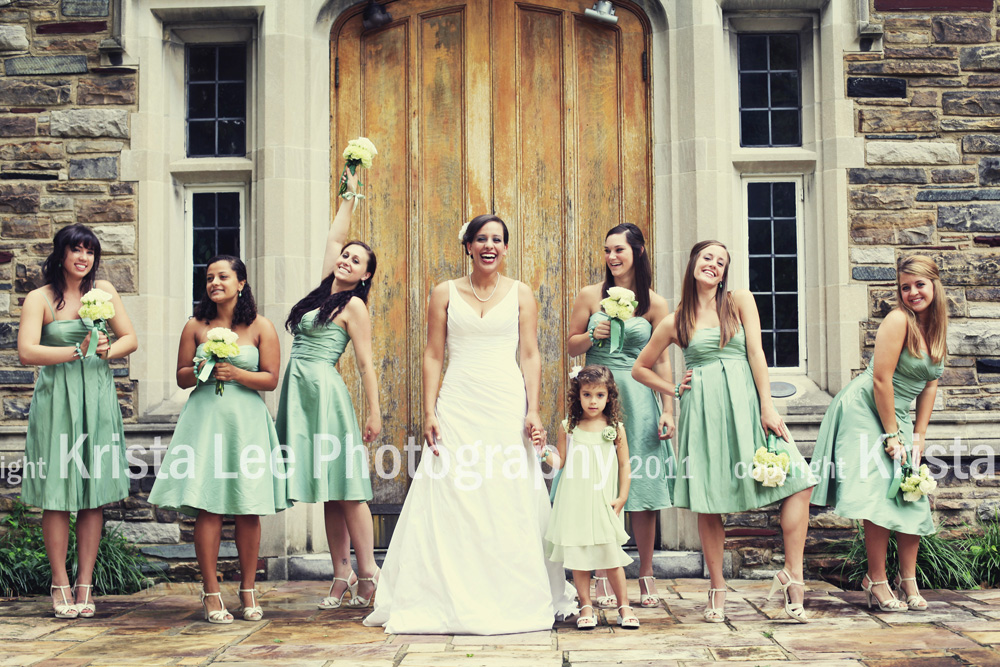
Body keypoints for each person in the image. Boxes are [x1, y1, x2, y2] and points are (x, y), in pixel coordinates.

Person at [364, 214, 576, 634]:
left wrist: (533, 409)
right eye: (481, 238)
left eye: (497, 239)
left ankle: (511, 591)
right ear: (468, 246)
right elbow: (433, 354)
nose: (489, 246)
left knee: (506, 488)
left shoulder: (521, 293)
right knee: (453, 487)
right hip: (458, 402)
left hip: (505, 402)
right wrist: (429, 411)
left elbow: (530, 354)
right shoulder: (444, 292)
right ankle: (444, 592)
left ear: (506, 247)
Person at [632, 240, 816, 624]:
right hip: (704, 414)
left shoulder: (739, 301)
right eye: (707, 258)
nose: (714, 265)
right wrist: (674, 389)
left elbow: (756, 354)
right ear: (693, 263)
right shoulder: (675, 321)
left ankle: (792, 574)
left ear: (724, 273)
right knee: (708, 500)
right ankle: (717, 587)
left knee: (800, 480)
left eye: (721, 262)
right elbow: (640, 368)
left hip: (748, 407)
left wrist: (767, 406)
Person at [148, 256, 288, 624]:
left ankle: (248, 590)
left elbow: (271, 378)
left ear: (241, 282)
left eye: (223, 276)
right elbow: (180, 377)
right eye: (209, 277)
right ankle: (211, 591)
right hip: (205, 419)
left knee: (248, 506)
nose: (214, 283)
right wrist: (201, 367)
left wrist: (236, 373)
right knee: (207, 504)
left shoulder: (261, 327)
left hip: (246, 422)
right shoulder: (195, 326)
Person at [810, 255, 946, 613]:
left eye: (919, 284)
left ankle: (908, 579)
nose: (913, 292)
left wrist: (918, 435)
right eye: (905, 287)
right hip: (867, 407)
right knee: (878, 493)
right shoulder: (899, 320)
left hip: (896, 413)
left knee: (911, 492)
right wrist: (891, 435)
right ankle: (877, 579)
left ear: (934, 285)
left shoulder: (936, 328)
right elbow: (882, 380)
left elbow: (930, 384)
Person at [18, 224, 138, 619]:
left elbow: (130, 339)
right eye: (76, 250)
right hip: (56, 399)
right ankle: (60, 584)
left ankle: (85, 584)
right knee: (56, 492)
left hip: (97, 397)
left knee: (92, 491)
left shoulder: (103, 291)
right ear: (61, 254)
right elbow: (27, 352)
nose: (83, 257)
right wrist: (75, 350)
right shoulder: (39, 298)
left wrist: (105, 350)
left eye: (90, 251)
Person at [276, 169, 382, 610]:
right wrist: (349, 196)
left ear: (364, 275)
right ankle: (341, 574)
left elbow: (365, 363)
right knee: (327, 488)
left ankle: (369, 572)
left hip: (326, 394)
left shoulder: (353, 305)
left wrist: (374, 412)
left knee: (347, 487)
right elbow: (334, 237)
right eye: (346, 256)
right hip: (298, 392)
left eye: (357, 261)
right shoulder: (323, 290)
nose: (347, 260)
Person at [564, 223, 675, 609]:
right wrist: (592, 336)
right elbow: (571, 345)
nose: (612, 257)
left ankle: (645, 571)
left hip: (640, 397)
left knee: (641, 485)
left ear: (638, 251)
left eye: (619, 250)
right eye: (607, 250)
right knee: (596, 484)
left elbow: (662, 361)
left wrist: (668, 409)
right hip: (597, 395)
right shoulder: (589, 295)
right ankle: (600, 574)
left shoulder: (655, 304)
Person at [543, 365, 637, 630]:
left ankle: (624, 606)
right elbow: (560, 462)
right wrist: (542, 451)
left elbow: (625, 464)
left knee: (611, 555)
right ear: (578, 395)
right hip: (575, 500)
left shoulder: (615, 428)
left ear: (609, 397)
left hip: (604, 501)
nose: (593, 401)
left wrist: (622, 496)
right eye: (587, 394)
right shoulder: (569, 427)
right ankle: (586, 605)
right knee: (580, 555)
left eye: (599, 395)